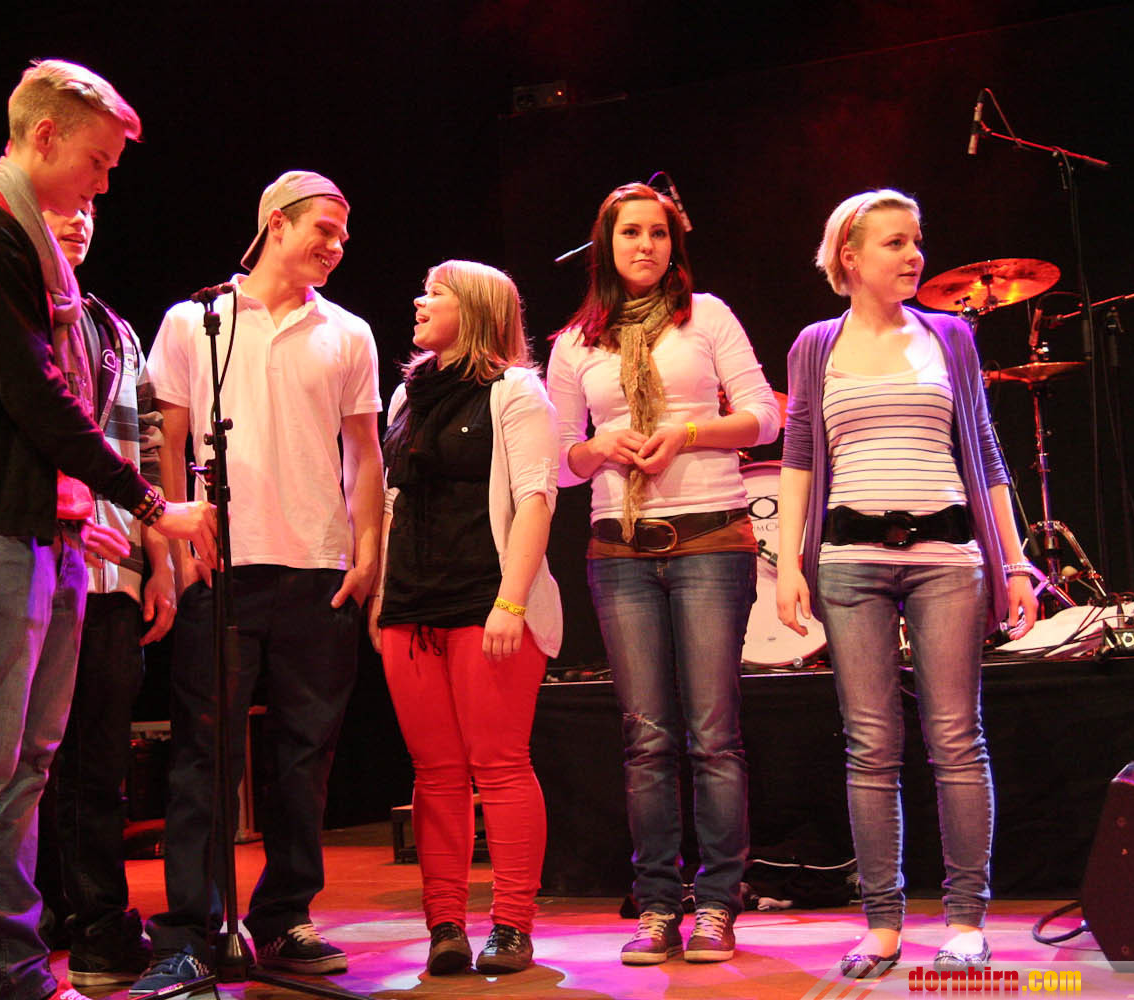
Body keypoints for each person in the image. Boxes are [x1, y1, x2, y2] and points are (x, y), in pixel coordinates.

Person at [0, 59, 217, 1000]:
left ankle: (14, 961)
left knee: (28, 761)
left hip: (52, 534)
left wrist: (101, 514)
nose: (104, 183)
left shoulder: (32, 248)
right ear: (43, 137)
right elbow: (34, 394)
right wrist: (150, 504)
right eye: (98, 161)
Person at [775, 189, 1037, 979]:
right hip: (849, 562)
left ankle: (965, 922)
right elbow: (798, 457)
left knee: (955, 740)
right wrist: (787, 564)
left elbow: (985, 450)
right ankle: (882, 927)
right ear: (849, 257)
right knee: (871, 747)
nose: (914, 255)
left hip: (947, 558)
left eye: (916, 240)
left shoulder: (950, 337)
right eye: (895, 242)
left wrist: (1015, 562)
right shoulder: (815, 345)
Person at [132, 170, 383, 994]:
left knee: (305, 757)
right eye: (324, 229)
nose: (337, 246)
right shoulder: (195, 321)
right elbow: (169, 441)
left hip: (318, 568)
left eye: (343, 234)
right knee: (204, 755)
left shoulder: (347, 332)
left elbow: (364, 453)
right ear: (276, 223)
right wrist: (173, 547)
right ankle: (192, 931)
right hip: (221, 564)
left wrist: (367, 552)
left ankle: (283, 916)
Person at [546, 183, 781, 966]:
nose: (644, 245)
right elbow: (558, 459)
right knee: (646, 740)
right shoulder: (575, 342)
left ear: (673, 243)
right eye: (629, 233)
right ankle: (655, 905)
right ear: (606, 245)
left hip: (711, 539)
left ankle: (716, 904)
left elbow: (765, 416)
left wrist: (685, 433)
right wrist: (596, 448)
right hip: (620, 548)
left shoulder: (705, 317)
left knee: (712, 736)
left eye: (656, 233)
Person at [368, 261, 561, 976]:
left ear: (475, 309)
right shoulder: (407, 394)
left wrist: (511, 602)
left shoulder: (516, 390)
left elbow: (536, 498)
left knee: (500, 766)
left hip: (486, 601)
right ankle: (444, 924)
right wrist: (383, 597)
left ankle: (511, 925)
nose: (420, 301)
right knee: (435, 773)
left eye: (437, 292)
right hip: (412, 606)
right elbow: (394, 503)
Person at [32, 202, 177, 987]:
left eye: (89, 208)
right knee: (27, 760)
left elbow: (146, 446)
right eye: (63, 206)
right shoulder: (19, 310)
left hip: (115, 571)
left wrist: (162, 562)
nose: (79, 220)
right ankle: (35, 920)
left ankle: (96, 926)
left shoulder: (114, 329)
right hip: (37, 555)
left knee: (99, 761)